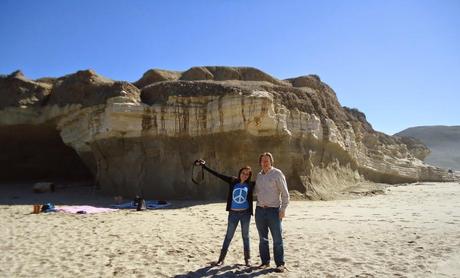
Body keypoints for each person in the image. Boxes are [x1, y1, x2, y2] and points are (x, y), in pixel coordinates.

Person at [194, 159, 255, 266]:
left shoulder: (250, 184)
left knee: (245, 236)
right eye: (243, 173)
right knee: (228, 236)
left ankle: (247, 259)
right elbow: (218, 174)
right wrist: (204, 166)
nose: (244, 175)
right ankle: (221, 259)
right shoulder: (233, 181)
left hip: (245, 214)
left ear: (249, 176)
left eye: (247, 174)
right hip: (233, 214)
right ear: (240, 173)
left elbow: (265, 185)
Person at [254, 152, 289, 273]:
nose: (265, 163)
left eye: (267, 160)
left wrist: (283, 210)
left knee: (277, 239)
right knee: (262, 238)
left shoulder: (277, 173)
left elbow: (285, 194)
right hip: (259, 211)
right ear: (260, 162)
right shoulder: (259, 175)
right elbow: (257, 192)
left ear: (271, 162)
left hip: (273, 211)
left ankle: (280, 264)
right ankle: (265, 262)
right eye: (263, 160)